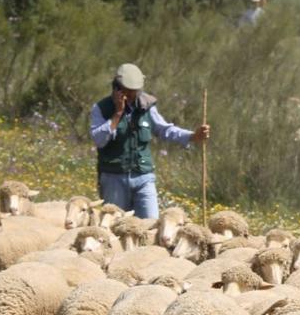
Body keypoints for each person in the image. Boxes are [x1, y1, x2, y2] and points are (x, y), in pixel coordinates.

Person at [89, 63, 210, 219]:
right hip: (113, 178)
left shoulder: (147, 106)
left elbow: (164, 129)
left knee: (151, 225)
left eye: (136, 91)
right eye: (129, 91)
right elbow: (99, 140)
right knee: (113, 226)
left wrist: (193, 136)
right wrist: (117, 114)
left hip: (143, 177)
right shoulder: (101, 108)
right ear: (117, 88)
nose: (133, 95)